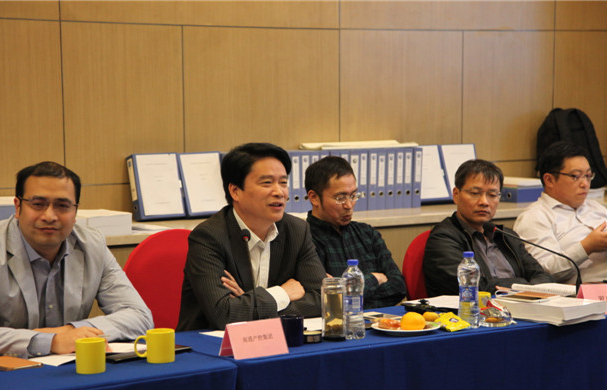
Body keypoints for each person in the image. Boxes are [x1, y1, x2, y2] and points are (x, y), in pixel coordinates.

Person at [0, 162, 153, 359]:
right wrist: (49, 341)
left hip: (73, 367)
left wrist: (71, 331)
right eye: (37, 204)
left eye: (62, 206)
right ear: (18, 207)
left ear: (75, 212)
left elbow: (140, 317)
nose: (50, 216)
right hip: (7, 370)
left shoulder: (92, 246)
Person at [177, 143, 325, 331]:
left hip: (274, 339)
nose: (279, 192)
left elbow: (322, 298)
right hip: (209, 344)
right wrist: (282, 293)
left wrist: (249, 304)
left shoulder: (297, 230)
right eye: (267, 183)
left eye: (283, 182)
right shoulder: (208, 237)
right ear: (235, 191)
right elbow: (224, 314)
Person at [423, 159, 553, 296]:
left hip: (520, 305)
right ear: (456, 195)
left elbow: (543, 276)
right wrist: (523, 286)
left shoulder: (506, 236)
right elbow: (473, 286)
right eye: (475, 193)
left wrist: (523, 288)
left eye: (492, 195)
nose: (484, 202)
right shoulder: (443, 238)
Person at [304, 156, 406, 307]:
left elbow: (398, 287)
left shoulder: (367, 233)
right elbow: (328, 301)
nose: (349, 205)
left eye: (353, 196)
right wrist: (375, 279)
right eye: (340, 198)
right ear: (314, 198)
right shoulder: (304, 239)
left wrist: (349, 294)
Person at [513, 141, 607, 283]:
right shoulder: (534, 217)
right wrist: (587, 246)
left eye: (588, 176)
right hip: (582, 292)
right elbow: (543, 272)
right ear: (549, 180)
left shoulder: (596, 208)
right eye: (576, 176)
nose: (585, 184)